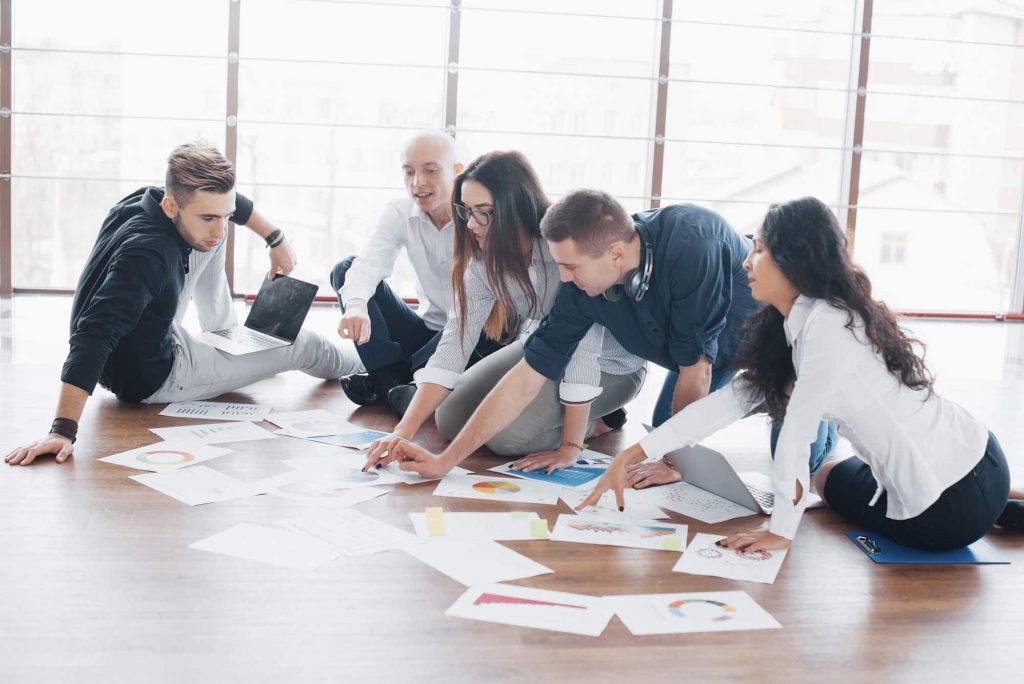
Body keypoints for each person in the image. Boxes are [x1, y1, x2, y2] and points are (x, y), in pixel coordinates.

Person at [582, 196, 1017, 552]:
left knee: (821, 479)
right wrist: (633, 453)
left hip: (945, 513)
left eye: (761, 250)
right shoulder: (797, 319)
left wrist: (779, 531)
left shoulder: (830, 329)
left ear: (795, 260)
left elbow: (796, 435)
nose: (748, 261)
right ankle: (1001, 506)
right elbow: (729, 402)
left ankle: (992, 509)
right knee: (825, 478)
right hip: (979, 452)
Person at [375, 190, 830, 480]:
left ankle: (828, 419)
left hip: (764, 343)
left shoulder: (695, 241)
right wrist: (444, 461)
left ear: (615, 253)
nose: (564, 279)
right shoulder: (584, 284)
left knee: (794, 462)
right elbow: (528, 374)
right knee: (666, 427)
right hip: (696, 358)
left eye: (571, 267)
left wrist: (672, 462)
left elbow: (698, 369)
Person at [5, 143, 360, 467]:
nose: (220, 228)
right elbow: (94, 334)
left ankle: (226, 336)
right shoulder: (148, 255)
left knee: (211, 240)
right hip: (157, 375)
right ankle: (368, 359)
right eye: (209, 218)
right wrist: (62, 430)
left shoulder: (147, 199)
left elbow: (224, 210)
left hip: (142, 335)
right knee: (303, 344)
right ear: (171, 206)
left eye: (225, 215)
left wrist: (275, 238)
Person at [363, 152, 646, 470]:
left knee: (506, 439)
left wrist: (569, 446)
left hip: (608, 365)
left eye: (483, 213)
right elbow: (452, 349)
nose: (471, 225)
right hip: (542, 350)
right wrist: (401, 434)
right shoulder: (483, 263)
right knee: (448, 417)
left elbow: (583, 357)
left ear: (517, 209)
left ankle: (602, 417)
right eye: (467, 212)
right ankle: (567, 415)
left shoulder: (564, 257)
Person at [331, 131, 503, 410]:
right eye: (408, 172)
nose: (418, 182)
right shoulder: (400, 212)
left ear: (457, 171)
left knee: (490, 314)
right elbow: (368, 265)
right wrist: (356, 305)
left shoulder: (478, 216)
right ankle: (397, 385)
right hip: (426, 332)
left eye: (431, 170)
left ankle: (385, 381)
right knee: (346, 268)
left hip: (470, 339)